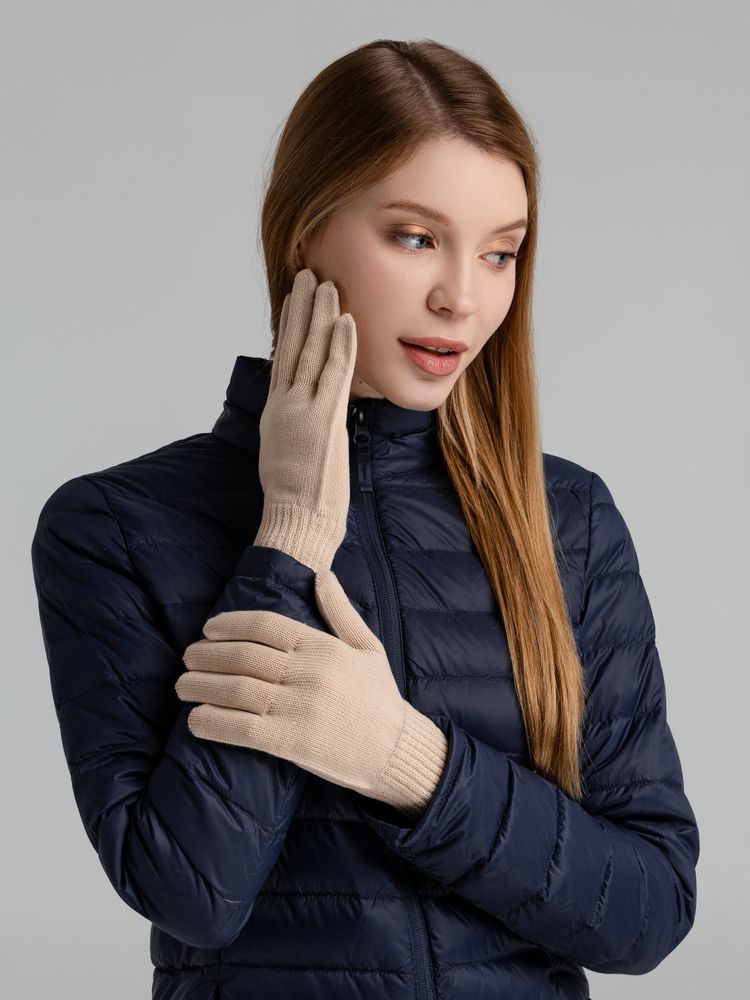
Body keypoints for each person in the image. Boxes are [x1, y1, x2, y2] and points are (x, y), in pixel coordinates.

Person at [30, 37, 699, 1000]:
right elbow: (191, 893)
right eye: (416, 237)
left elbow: (651, 909)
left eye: (500, 252)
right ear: (303, 233)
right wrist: (289, 541)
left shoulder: (570, 521)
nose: (462, 298)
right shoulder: (114, 527)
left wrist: (404, 760)